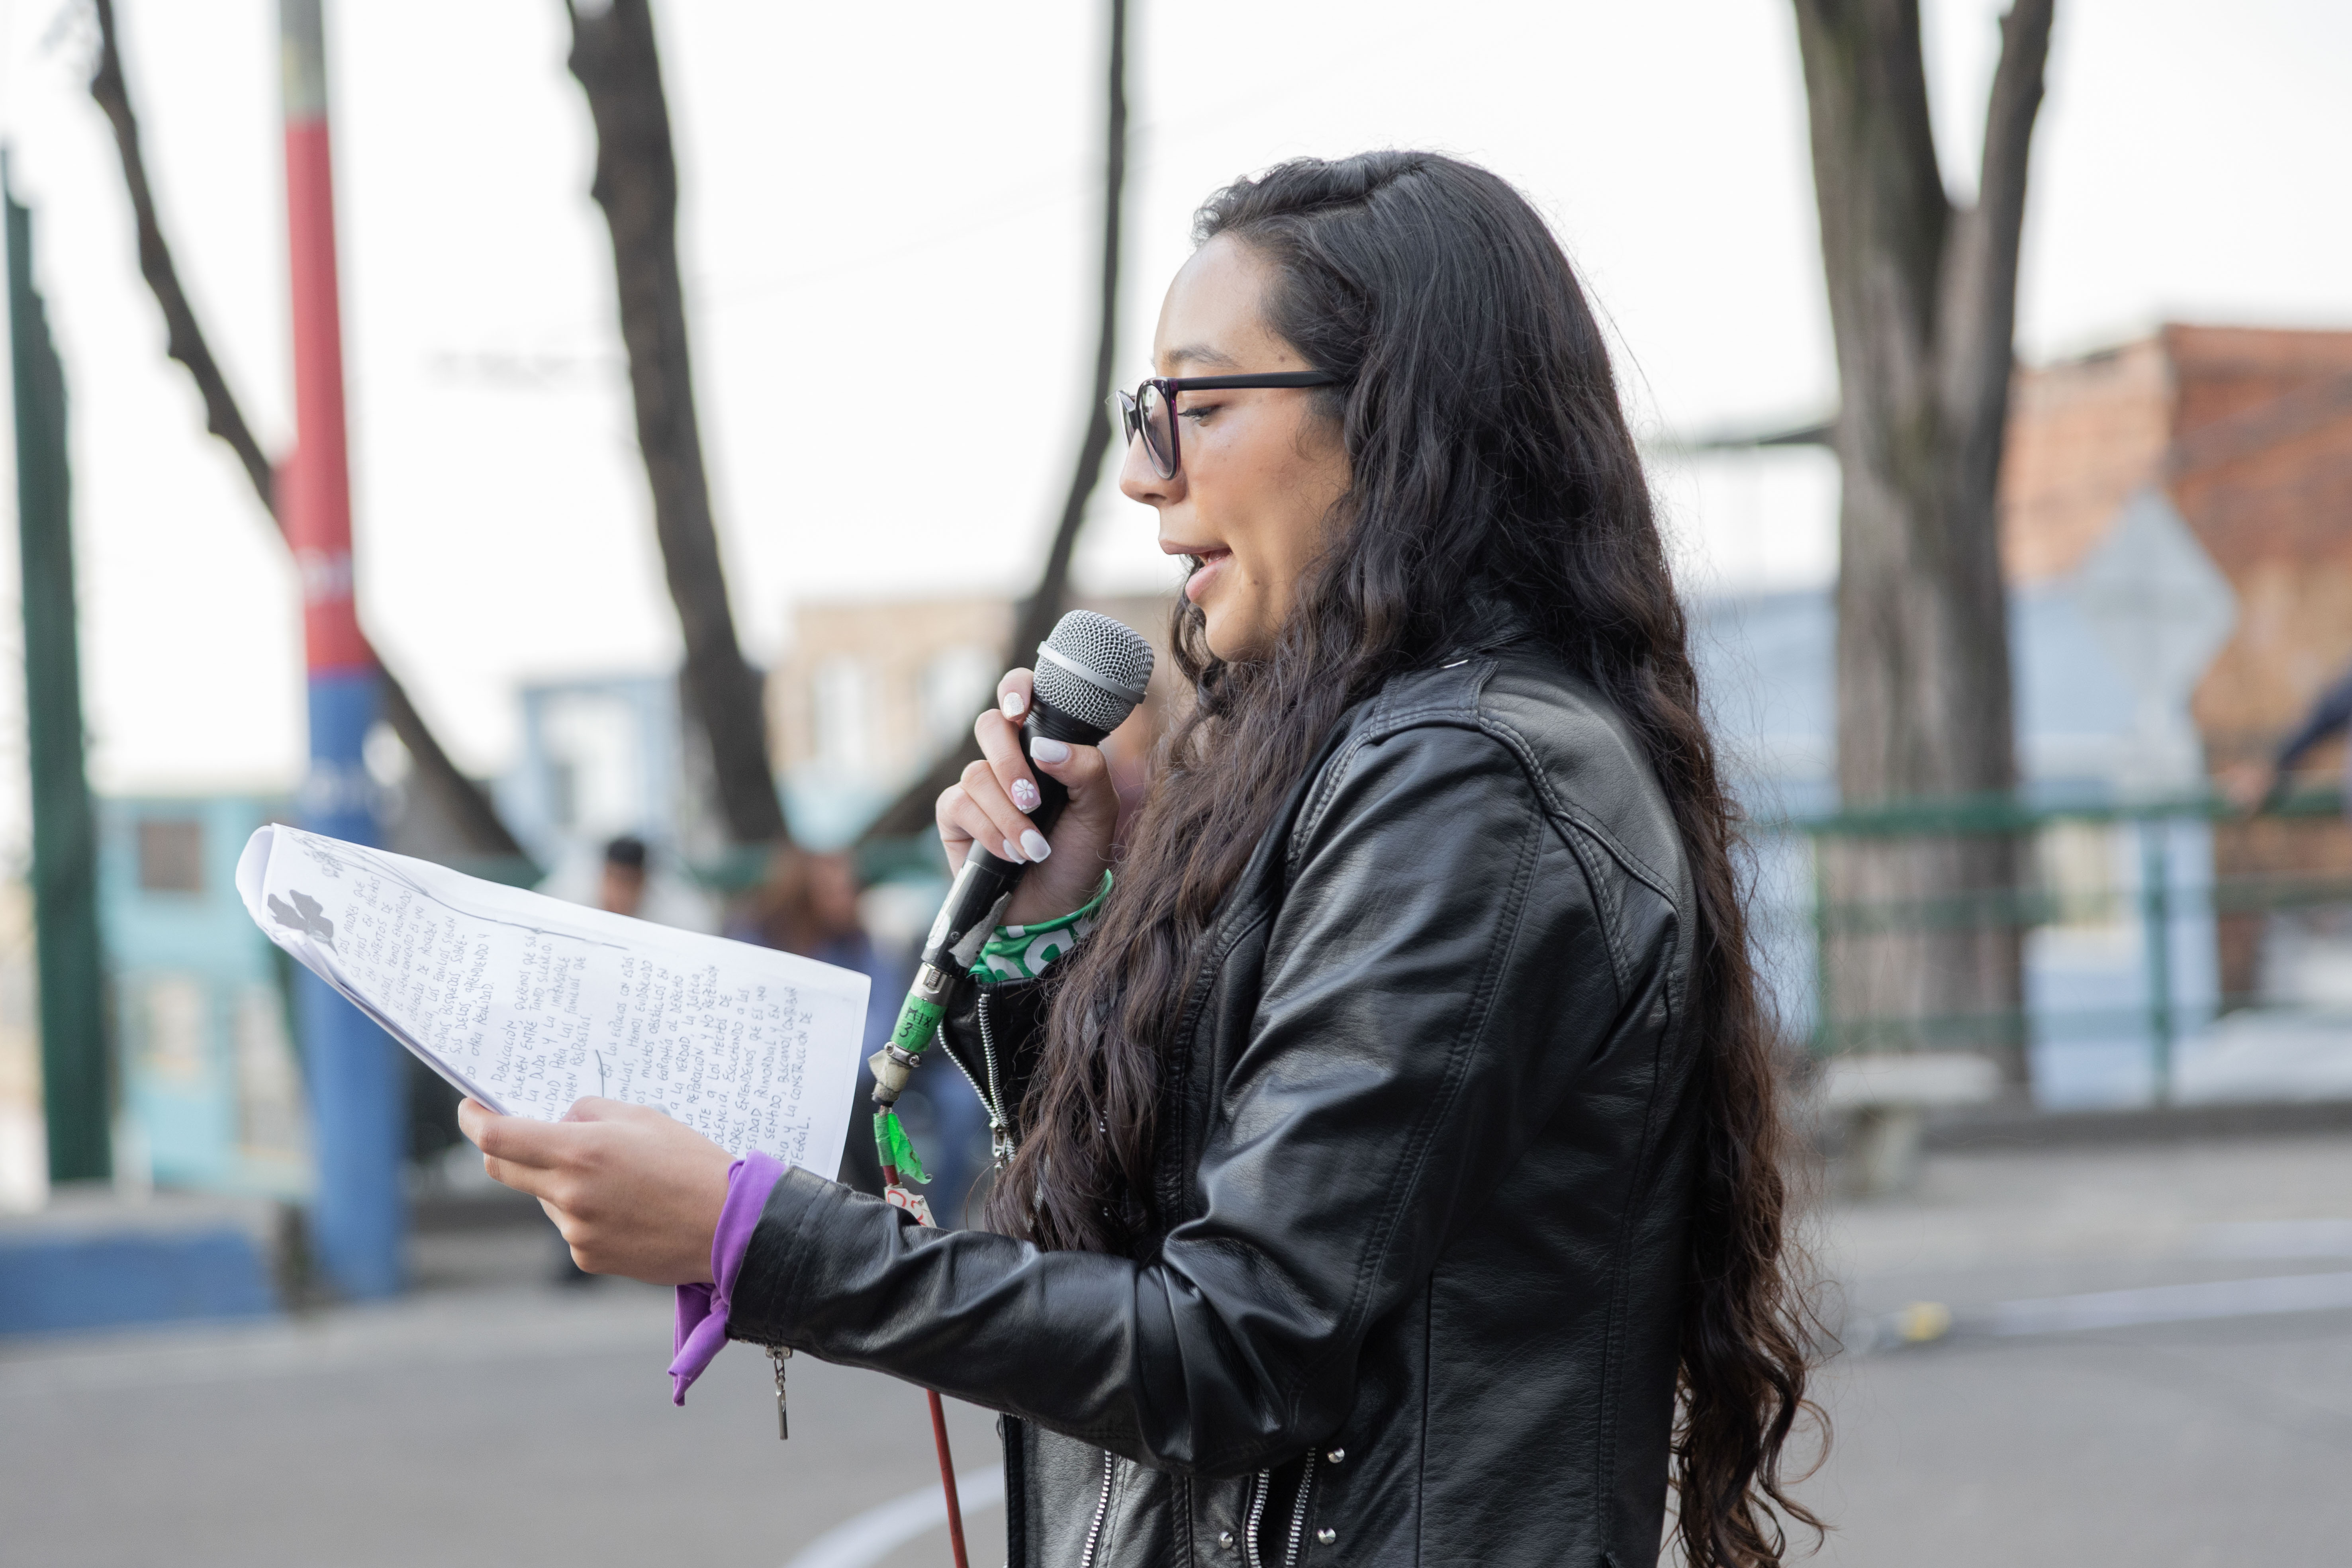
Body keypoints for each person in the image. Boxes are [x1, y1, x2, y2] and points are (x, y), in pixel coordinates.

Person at [461, 152, 1819, 1568]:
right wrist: (1055, 939)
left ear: (1398, 420)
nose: (1141, 470)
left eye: (1201, 406)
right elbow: (1166, 1231)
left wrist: (761, 1238)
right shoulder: (1365, 756)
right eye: (1142, 410)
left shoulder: (1473, 788)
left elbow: (1236, 1344)